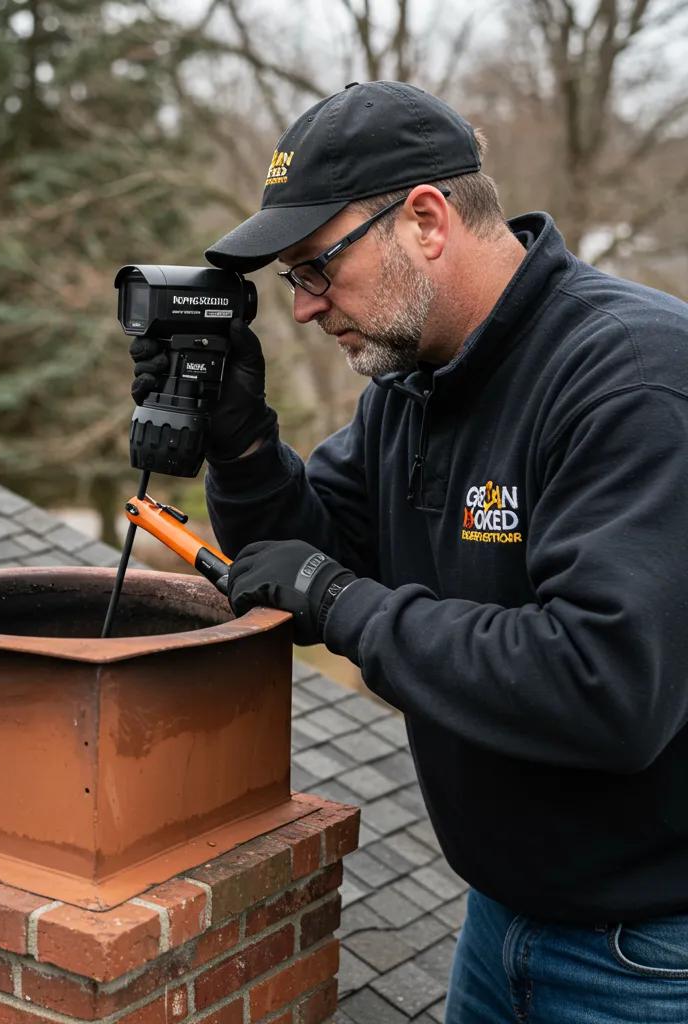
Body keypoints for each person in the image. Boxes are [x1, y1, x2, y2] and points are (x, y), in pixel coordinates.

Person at [130, 82, 688, 1022]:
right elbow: (302, 560)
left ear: (426, 220)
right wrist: (244, 443)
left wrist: (347, 602)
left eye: (316, 268)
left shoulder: (631, 381)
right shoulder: (412, 383)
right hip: (499, 919)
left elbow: (606, 687)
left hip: (646, 958)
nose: (303, 309)